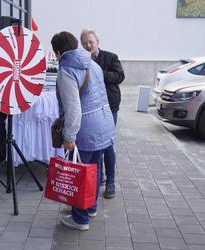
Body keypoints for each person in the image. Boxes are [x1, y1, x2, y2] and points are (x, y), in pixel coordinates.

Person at [51, 31, 116, 231]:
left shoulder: (66, 72)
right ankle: (90, 208)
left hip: (85, 130)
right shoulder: (93, 63)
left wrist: (69, 136)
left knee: (78, 172)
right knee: (93, 171)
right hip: (104, 124)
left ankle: (80, 219)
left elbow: (73, 108)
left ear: (59, 52)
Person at [80, 29, 125, 199]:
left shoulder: (110, 57)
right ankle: (100, 178)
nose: (88, 45)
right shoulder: (82, 61)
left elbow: (120, 76)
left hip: (109, 107)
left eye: (91, 42)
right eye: (84, 43)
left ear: (97, 41)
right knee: (95, 146)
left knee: (107, 145)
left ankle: (111, 181)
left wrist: (98, 73)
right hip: (90, 109)